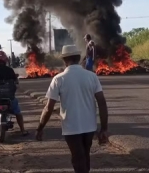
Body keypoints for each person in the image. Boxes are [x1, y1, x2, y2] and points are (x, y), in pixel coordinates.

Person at [35, 45, 109, 173]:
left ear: (64, 60)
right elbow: (102, 103)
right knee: (84, 156)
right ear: (79, 58)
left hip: (71, 128)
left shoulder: (59, 79)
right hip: (90, 127)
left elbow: (48, 108)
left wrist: (40, 128)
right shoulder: (91, 76)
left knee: (78, 159)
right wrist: (104, 128)